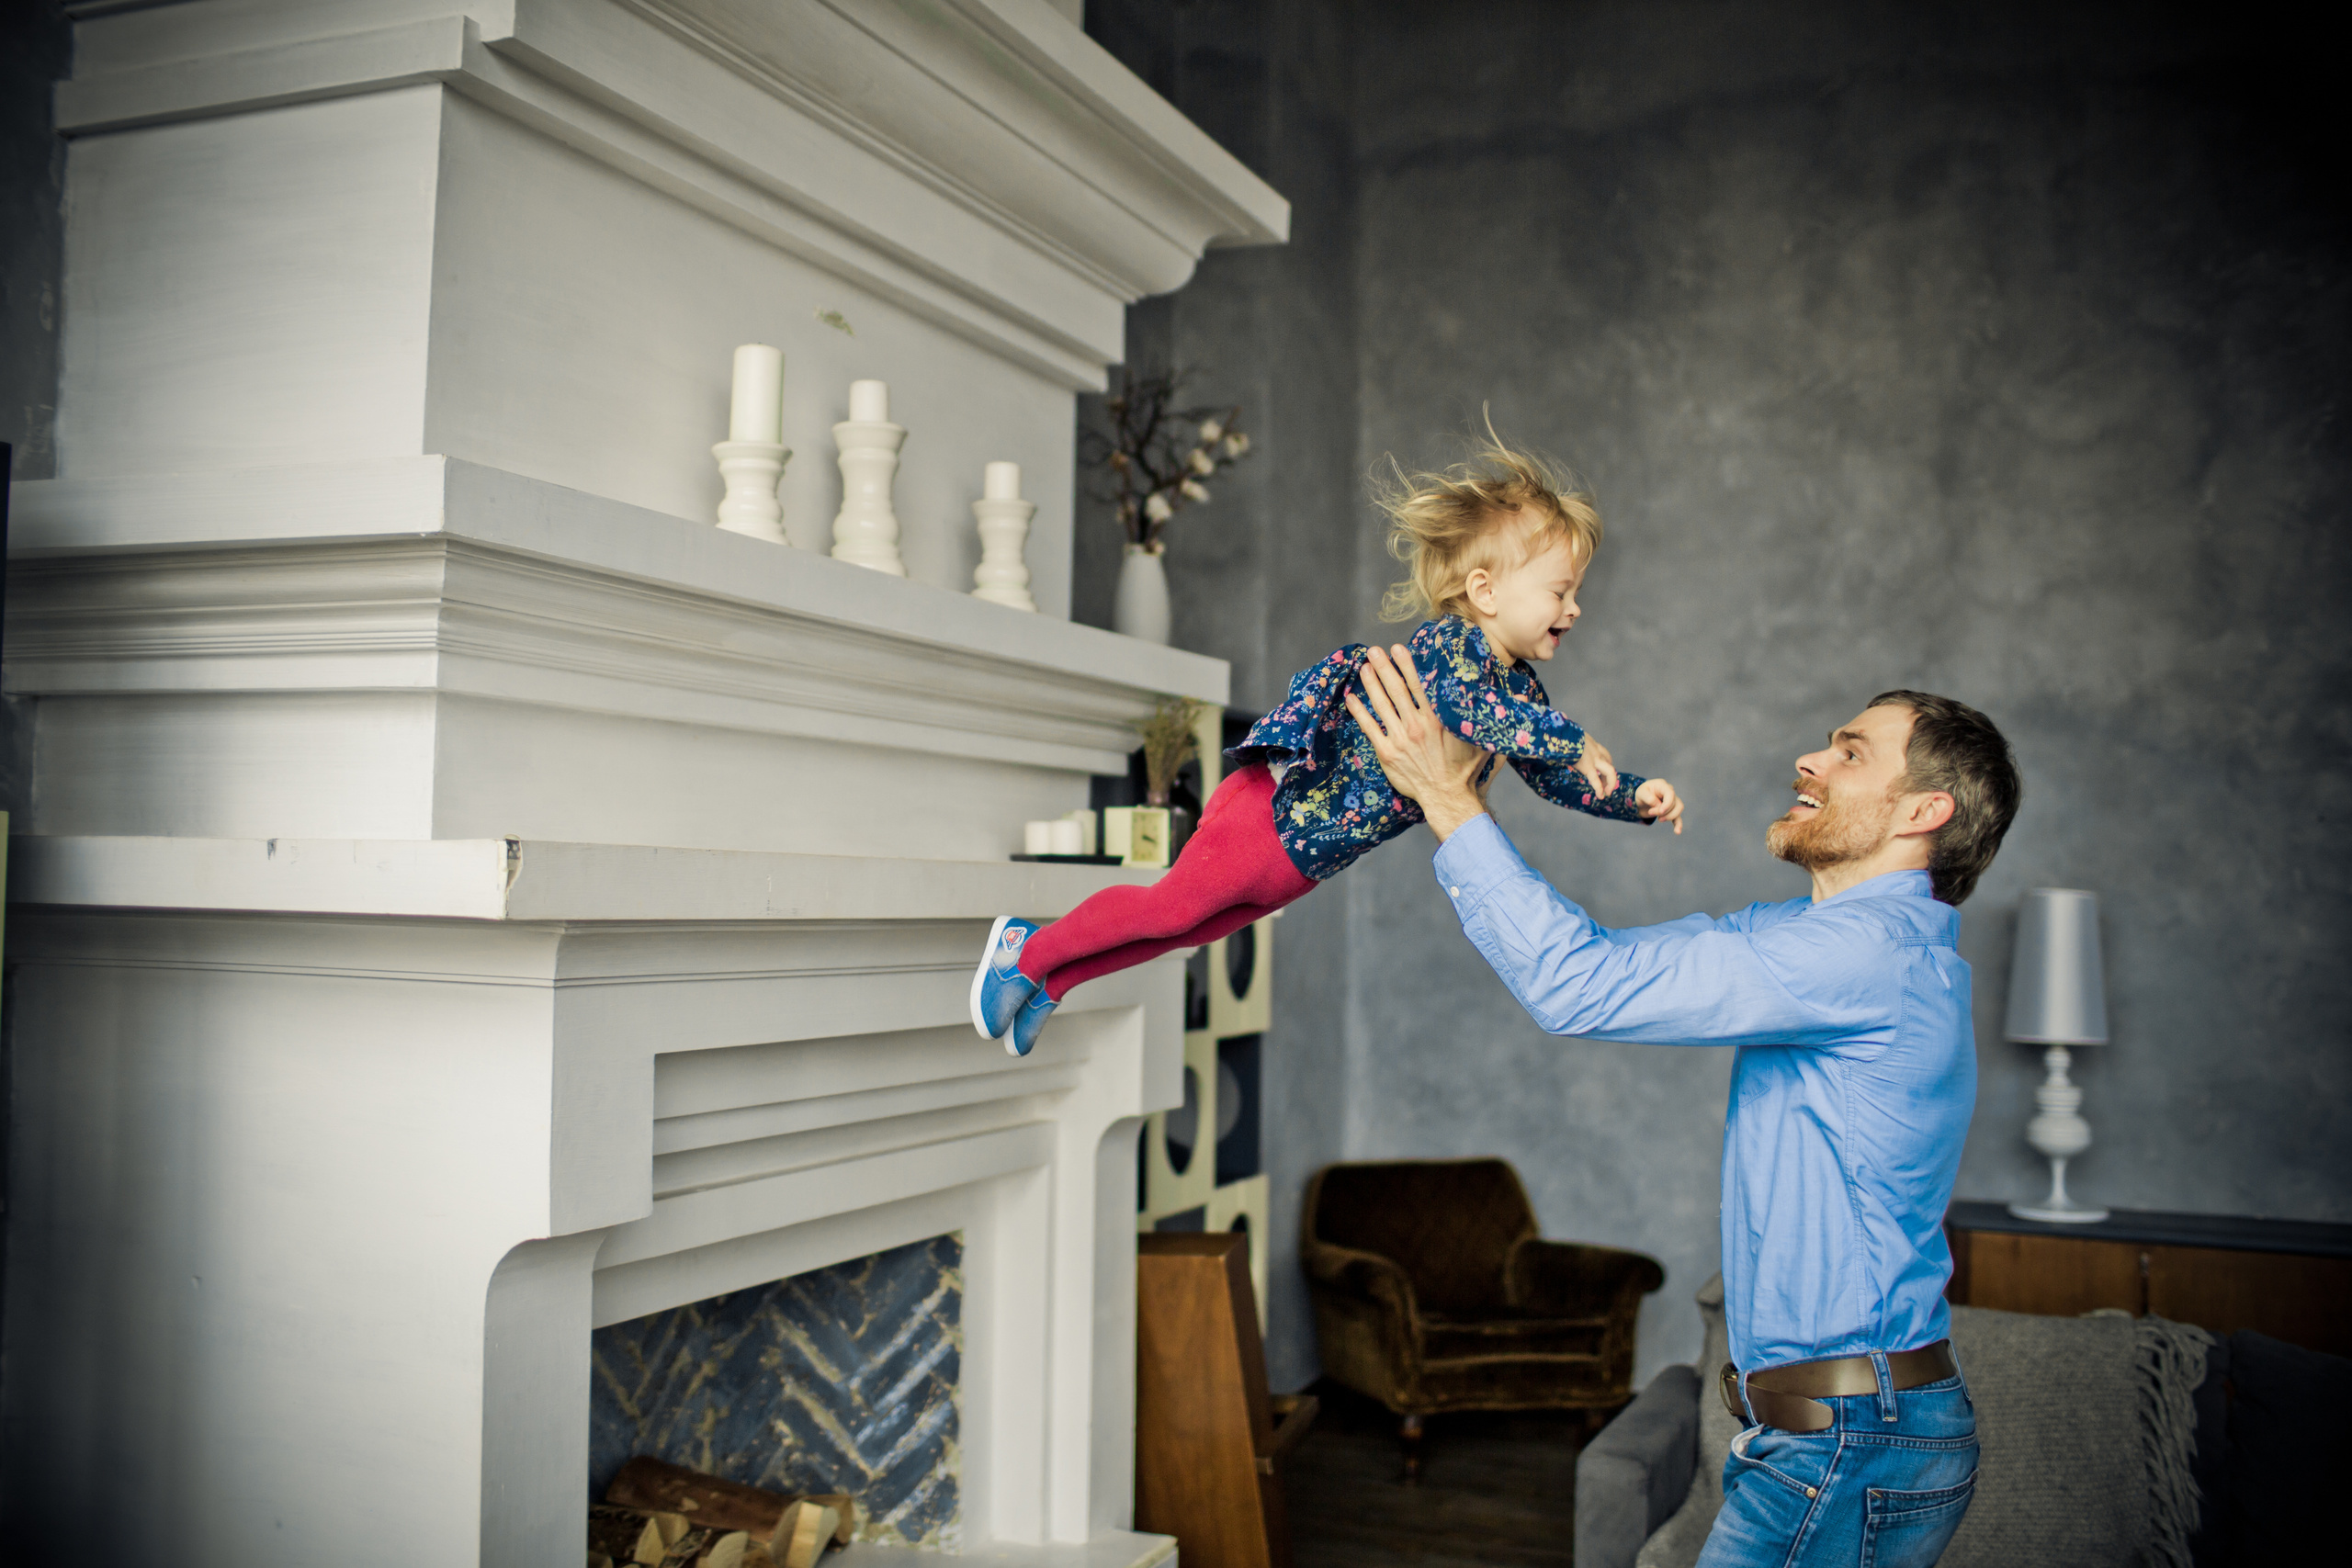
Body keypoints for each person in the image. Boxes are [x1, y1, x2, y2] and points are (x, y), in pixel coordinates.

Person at [1344, 646, 2019, 1568]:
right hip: (1832, 1435)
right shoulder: (1816, 942)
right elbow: (1597, 965)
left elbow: (1577, 986)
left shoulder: (1863, 956)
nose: (1810, 763)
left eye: (1851, 753)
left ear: (1922, 812)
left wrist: (1449, 804)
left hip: (1845, 1443)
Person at [971, 439, 1686, 1056]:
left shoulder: (1522, 695)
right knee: (1168, 909)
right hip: (1272, 815)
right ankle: (1024, 952)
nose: (1575, 607)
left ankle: (1051, 980)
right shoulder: (1452, 648)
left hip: (1303, 859)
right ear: (1485, 591)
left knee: (1180, 930)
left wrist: (1630, 795)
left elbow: (1551, 773)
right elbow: (1477, 710)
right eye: (1561, 590)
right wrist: (1575, 736)